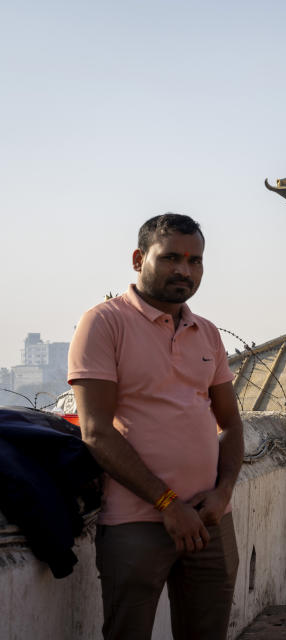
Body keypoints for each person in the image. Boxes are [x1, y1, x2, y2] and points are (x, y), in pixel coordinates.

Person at [68, 213, 243, 639]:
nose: (184, 270)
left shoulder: (208, 333)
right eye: (170, 258)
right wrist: (167, 504)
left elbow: (232, 424)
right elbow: (96, 431)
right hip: (136, 519)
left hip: (209, 518)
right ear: (138, 258)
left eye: (195, 260)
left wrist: (222, 494)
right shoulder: (104, 323)